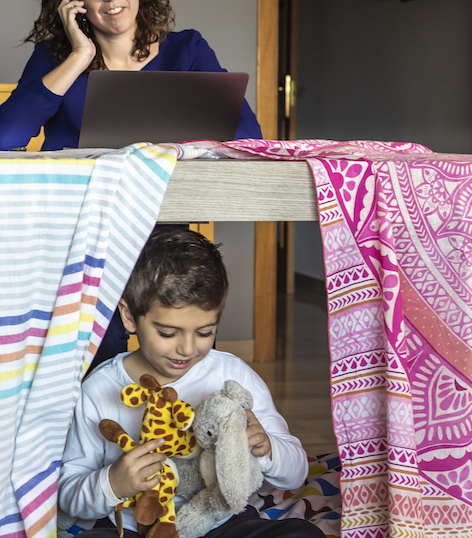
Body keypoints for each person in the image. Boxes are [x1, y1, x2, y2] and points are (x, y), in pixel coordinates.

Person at [58, 229, 324, 538]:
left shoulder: (233, 375)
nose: (187, 348)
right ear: (129, 317)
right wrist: (112, 483)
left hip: (221, 521)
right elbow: (67, 491)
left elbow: (297, 473)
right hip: (133, 526)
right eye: (168, 333)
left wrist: (267, 449)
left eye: (204, 332)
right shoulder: (98, 388)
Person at [0, 0, 262, 152]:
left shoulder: (187, 52)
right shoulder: (54, 58)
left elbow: (249, 138)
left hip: (168, 207)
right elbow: (7, 136)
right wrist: (79, 56)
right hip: (81, 208)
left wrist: (168, 148)